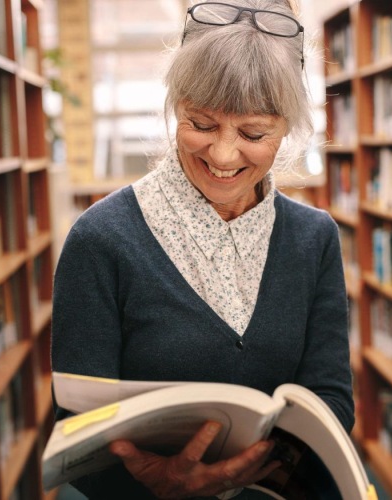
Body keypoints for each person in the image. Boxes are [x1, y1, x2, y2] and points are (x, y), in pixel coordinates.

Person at [51, 1, 354, 497]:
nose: (223, 154)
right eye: (202, 124)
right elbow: (76, 433)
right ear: (175, 108)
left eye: (253, 132)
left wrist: (255, 470)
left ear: (287, 128)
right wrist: (158, 486)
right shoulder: (100, 239)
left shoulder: (314, 237)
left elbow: (333, 400)